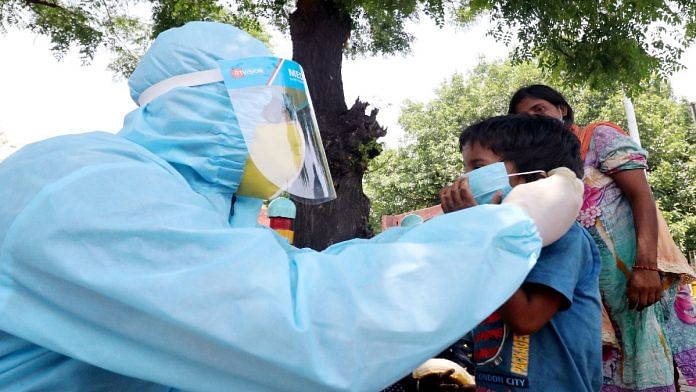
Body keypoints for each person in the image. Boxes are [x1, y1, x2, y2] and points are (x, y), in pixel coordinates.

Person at [0, 23, 584, 391]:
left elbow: (286, 281)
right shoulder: (78, 181)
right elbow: (307, 322)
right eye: (275, 114)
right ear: (211, 102)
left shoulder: (195, 205)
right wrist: (511, 224)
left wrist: (429, 236)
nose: (288, 137)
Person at [509, 84, 696, 390]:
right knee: (610, 372)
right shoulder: (538, 168)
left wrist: (646, 267)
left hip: (635, 277)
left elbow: (641, 196)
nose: (534, 119)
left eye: (539, 109)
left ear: (562, 109)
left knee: (650, 355)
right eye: (524, 118)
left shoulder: (597, 137)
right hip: (589, 291)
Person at [436, 115, 602, 391]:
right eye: (464, 167)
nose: (464, 179)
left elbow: (526, 319)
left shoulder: (564, 238)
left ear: (536, 182)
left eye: (478, 167)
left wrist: (480, 234)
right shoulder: (490, 240)